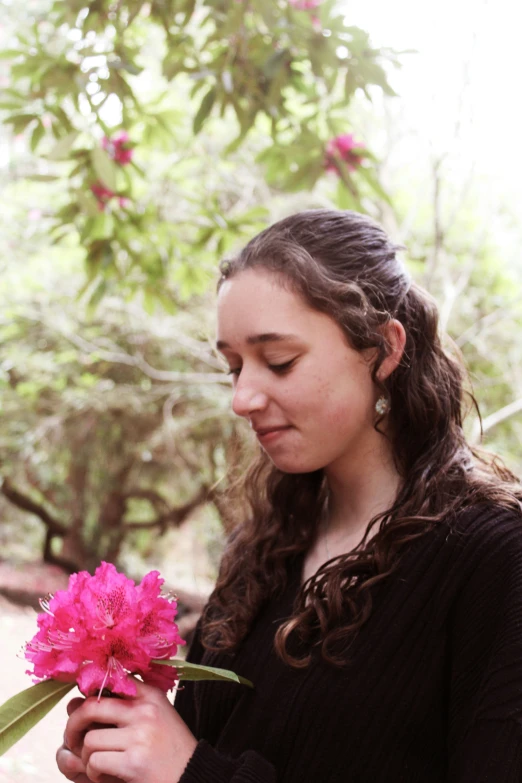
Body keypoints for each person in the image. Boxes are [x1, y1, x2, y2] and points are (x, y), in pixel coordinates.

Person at [56, 209, 522, 783]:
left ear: (383, 348)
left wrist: (195, 774)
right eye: (233, 367)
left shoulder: (496, 559)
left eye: (279, 361)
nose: (243, 398)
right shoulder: (261, 551)